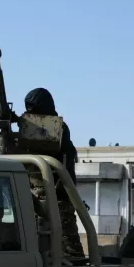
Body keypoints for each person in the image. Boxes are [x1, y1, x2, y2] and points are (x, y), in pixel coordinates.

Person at [18, 87, 85, 258]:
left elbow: (48, 142)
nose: (30, 113)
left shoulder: (58, 129)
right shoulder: (27, 129)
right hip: (33, 197)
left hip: (58, 196)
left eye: (34, 109)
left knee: (69, 248)